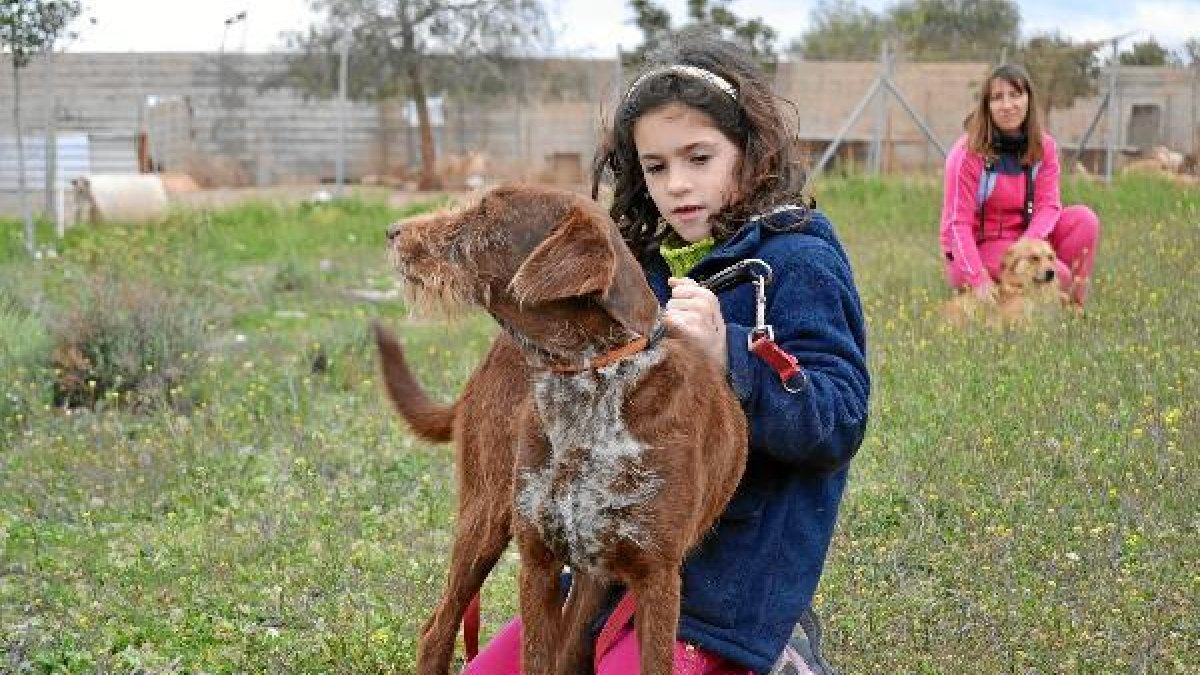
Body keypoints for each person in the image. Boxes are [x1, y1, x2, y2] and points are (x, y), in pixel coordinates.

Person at [463, 34, 869, 675]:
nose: (678, 185)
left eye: (699, 157)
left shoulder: (797, 262)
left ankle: (788, 654)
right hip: (608, 566)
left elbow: (839, 419)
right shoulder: (639, 274)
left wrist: (731, 354)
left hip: (726, 591)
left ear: (749, 151)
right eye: (656, 167)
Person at [940, 63, 1100, 308]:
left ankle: (1073, 309)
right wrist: (978, 278)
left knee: (1084, 219)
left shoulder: (1044, 147)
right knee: (1061, 275)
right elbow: (957, 225)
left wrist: (1028, 247)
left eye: (1015, 95)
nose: (1007, 105)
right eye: (997, 98)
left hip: (1026, 240)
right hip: (978, 247)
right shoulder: (967, 154)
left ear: (1028, 100)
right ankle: (1043, 297)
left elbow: (1049, 206)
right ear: (987, 106)